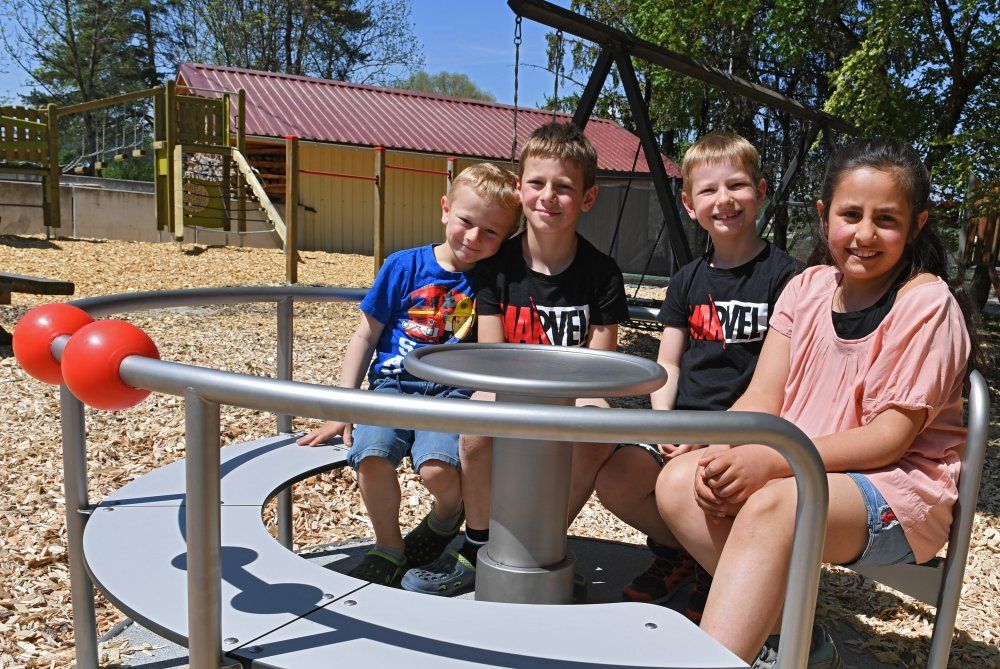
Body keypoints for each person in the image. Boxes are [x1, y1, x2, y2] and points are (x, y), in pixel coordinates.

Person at [655, 138, 976, 668]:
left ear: (917, 224)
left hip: (895, 492)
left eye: (887, 220)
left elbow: (888, 438)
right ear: (825, 215)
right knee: (679, 482)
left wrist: (774, 460)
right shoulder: (806, 288)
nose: (865, 234)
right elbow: (762, 395)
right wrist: (717, 441)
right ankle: (793, 640)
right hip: (804, 470)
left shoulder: (927, 304)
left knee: (775, 506)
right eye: (851, 215)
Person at [401, 121, 630, 595]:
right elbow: (491, 356)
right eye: (537, 183)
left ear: (587, 198)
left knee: (594, 430)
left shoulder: (602, 273)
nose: (548, 196)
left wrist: (572, 402)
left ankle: (543, 542)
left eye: (564, 187)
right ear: (519, 187)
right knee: (479, 421)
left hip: (574, 393)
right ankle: (477, 543)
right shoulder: (497, 268)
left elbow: (601, 369)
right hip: (509, 385)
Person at [593, 133, 797, 616]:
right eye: (708, 190)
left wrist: (710, 438)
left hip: (747, 429)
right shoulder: (686, 279)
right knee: (617, 479)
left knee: (707, 482)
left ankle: (726, 575)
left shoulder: (785, 277)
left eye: (737, 185)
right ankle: (684, 552)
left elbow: (782, 380)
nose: (723, 200)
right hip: (685, 426)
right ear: (688, 204)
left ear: (761, 192)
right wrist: (666, 424)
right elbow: (668, 362)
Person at [296, 163, 521, 586]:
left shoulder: (490, 283)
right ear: (444, 210)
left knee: (439, 469)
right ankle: (388, 547)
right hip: (391, 387)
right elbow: (366, 335)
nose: (473, 238)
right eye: (466, 222)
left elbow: (495, 350)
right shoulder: (403, 266)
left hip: (452, 393)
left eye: (490, 232)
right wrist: (342, 407)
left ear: (505, 238)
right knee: (373, 456)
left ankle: (447, 514)